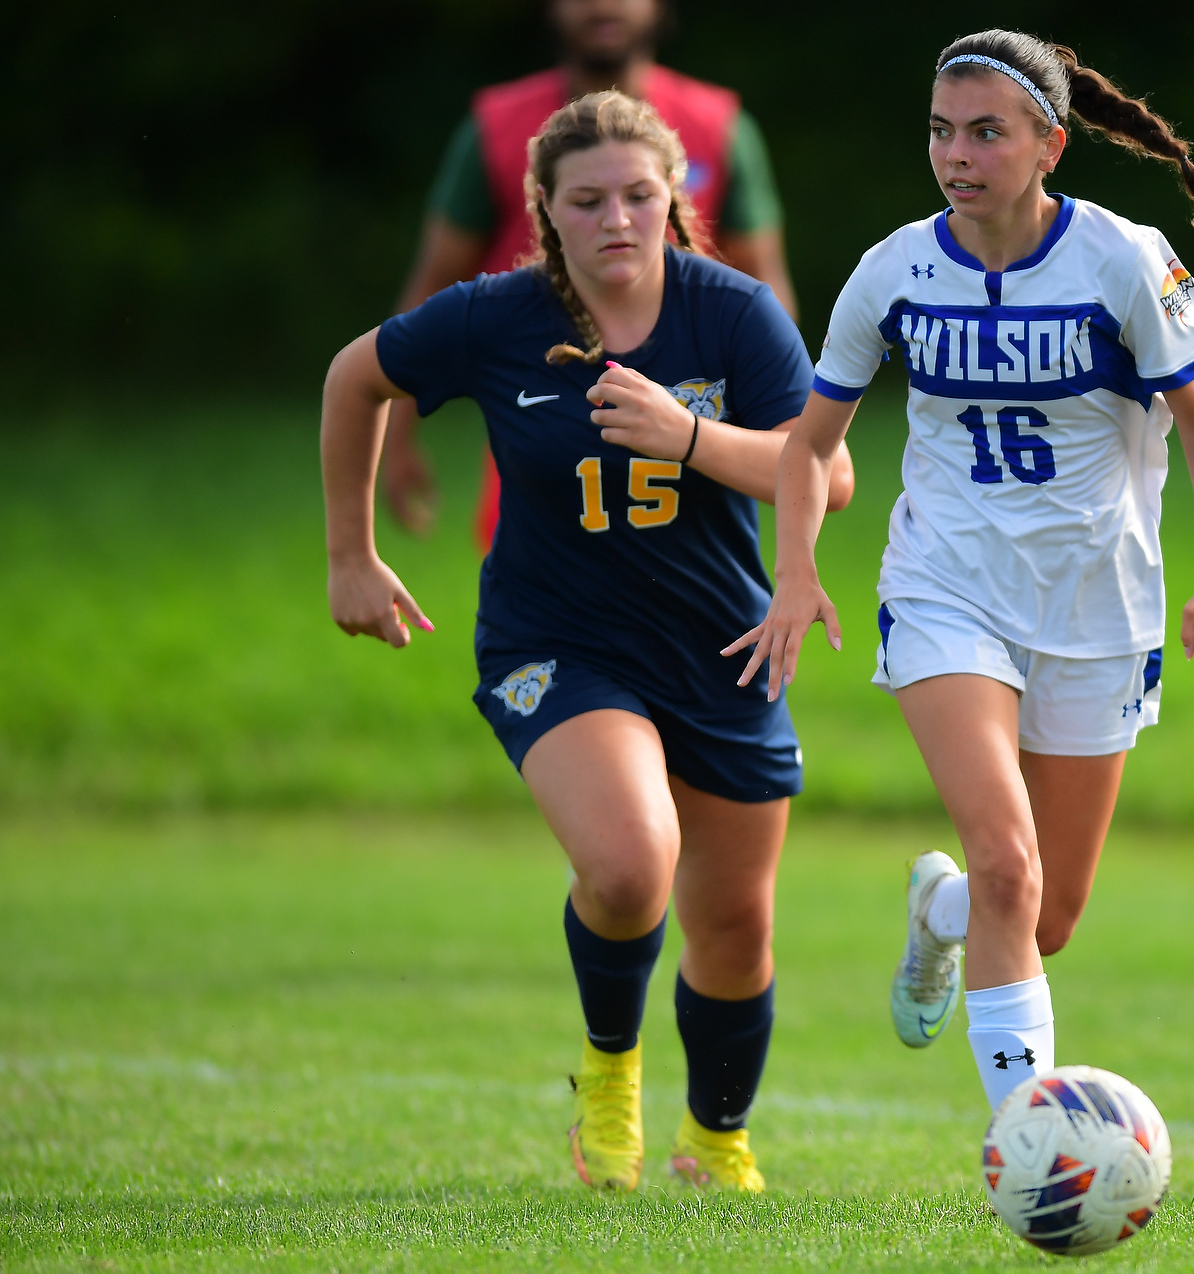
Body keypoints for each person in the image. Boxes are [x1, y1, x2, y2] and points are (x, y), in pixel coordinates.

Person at [321, 91, 852, 1191]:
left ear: (676, 201)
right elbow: (355, 376)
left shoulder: (734, 314)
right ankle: (610, 1070)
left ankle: (716, 1138)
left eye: (639, 195)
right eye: (587, 199)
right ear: (545, 212)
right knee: (625, 863)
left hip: (721, 647)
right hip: (556, 643)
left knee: (736, 927)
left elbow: (827, 473)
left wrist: (689, 433)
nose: (616, 217)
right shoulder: (492, 317)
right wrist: (351, 554)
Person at [728, 29, 1194, 1114]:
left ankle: (940, 915)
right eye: (939, 131)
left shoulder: (1123, 258)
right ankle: (1034, 1135)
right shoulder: (894, 271)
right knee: (1010, 864)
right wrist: (796, 571)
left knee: (1042, 912)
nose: (956, 155)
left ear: (1050, 144)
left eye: (985, 132)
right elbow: (809, 441)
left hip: (1097, 605)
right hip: (944, 591)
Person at [381, 0, 798, 548]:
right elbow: (430, 285)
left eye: (641, 195)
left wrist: (767, 421)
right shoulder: (494, 126)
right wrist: (396, 436)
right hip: (541, 417)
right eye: (584, 199)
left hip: (690, 428)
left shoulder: (719, 125)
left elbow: (766, 287)